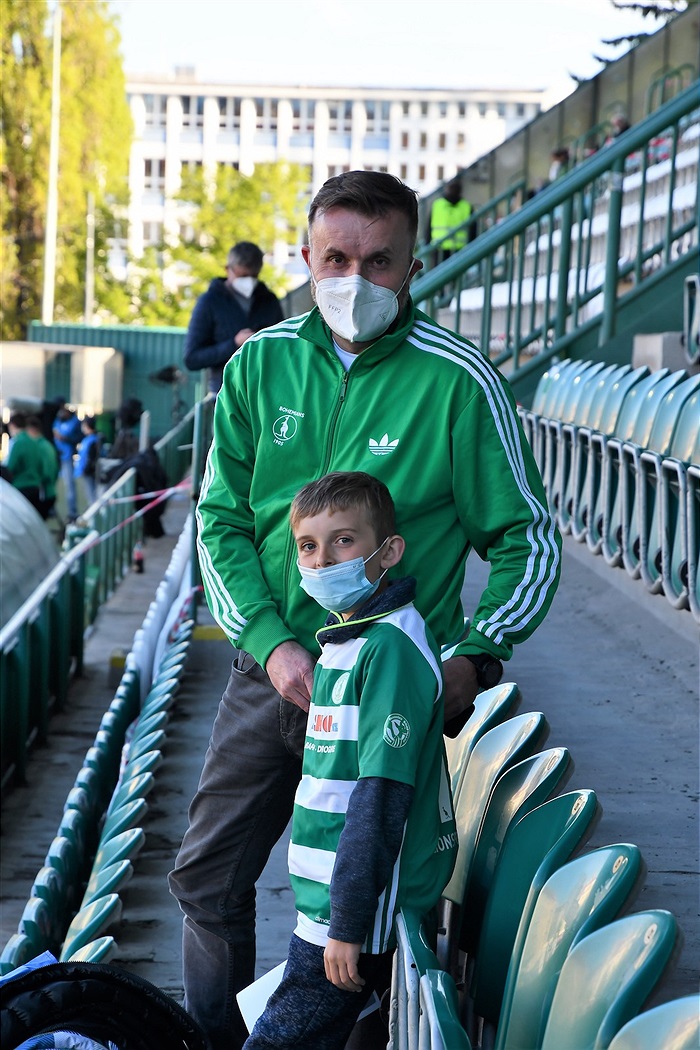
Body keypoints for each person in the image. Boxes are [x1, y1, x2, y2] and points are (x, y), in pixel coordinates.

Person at [168, 170, 562, 1050]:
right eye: (336, 256)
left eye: (378, 261)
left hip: (386, 692)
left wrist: (471, 659)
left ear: (412, 265)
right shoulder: (259, 362)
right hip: (269, 675)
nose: (354, 278)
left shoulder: (457, 381)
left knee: (370, 908)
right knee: (206, 883)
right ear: (306, 256)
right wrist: (272, 647)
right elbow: (219, 518)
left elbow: (526, 538)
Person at [243, 471, 457, 1050]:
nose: (322, 560)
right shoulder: (344, 640)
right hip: (327, 906)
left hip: (354, 913)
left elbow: (380, 795)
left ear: (387, 551)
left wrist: (348, 925)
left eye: (343, 541)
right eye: (308, 546)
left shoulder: (389, 646)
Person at [183, 241, 284, 394]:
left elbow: (282, 349)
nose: (248, 281)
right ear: (228, 270)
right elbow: (192, 359)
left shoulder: (269, 301)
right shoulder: (209, 302)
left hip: (263, 392)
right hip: (224, 393)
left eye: (253, 276)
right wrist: (234, 344)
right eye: (242, 275)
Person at [425, 177, 473, 265]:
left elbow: (428, 228)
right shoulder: (466, 206)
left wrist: (427, 245)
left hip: (449, 249)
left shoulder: (437, 205)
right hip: (447, 250)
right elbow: (473, 230)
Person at [5, 412, 45, 516]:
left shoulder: (17, 442)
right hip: (35, 487)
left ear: (12, 425)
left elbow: (10, 467)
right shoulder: (34, 442)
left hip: (20, 487)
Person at [52, 403, 82, 522]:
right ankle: (51, 509)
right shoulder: (58, 420)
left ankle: (72, 512)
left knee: (69, 485)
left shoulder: (75, 422)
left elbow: (79, 437)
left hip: (67, 457)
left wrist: (66, 439)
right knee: (51, 483)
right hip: (56, 455)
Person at [74, 416, 102, 507]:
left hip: (89, 472)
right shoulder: (87, 439)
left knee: (92, 496)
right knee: (89, 495)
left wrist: (87, 469)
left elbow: (92, 458)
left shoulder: (93, 440)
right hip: (85, 471)